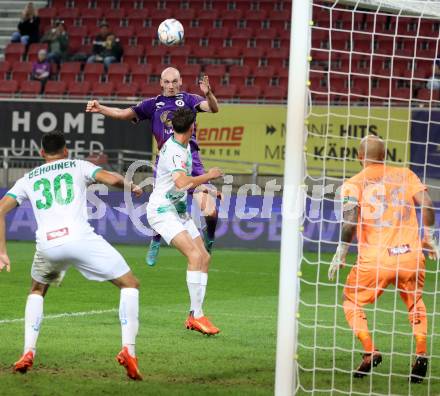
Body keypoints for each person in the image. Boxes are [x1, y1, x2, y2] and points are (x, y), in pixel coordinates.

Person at [0, 131, 143, 380]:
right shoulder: (78, 165)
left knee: (37, 289)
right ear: (66, 151)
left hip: (48, 245)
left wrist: (2, 250)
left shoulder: (27, 179)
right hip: (79, 239)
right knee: (129, 284)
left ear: (41, 153)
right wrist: (131, 185)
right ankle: (129, 351)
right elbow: (110, 179)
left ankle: (27, 352)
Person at [328, 135, 439, 383]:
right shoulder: (406, 174)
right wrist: (429, 237)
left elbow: (349, 222)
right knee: (415, 302)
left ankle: (370, 350)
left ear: (359, 157)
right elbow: (428, 205)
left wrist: (342, 252)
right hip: (410, 256)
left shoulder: (353, 183)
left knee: (350, 300)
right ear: (385, 155)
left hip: (375, 260)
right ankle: (421, 353)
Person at [85, 67, 220, 267]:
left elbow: (214, 108)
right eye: (167, 82)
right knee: (163, 204)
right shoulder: (152, 104)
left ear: (181, 81)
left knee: (210, 212)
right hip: (167, 163)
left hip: (192, 160)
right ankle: (155, 240)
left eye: (174, 81)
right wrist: (101, 108)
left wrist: (208, 93)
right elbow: (123, 113)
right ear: (161, 83)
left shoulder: (190, 99)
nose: (171, 86)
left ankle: (209, 237)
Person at [147, 107, 222, 335]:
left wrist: (204, 186)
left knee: (204, 258)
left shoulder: (183, 145)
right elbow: (180, 182)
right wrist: (209, 175)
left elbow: (184, 182)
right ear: (192, 127)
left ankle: (194, 314)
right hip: (162, 210)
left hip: (178, 210)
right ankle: (197, 316)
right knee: (195, 255)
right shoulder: (175, 151)